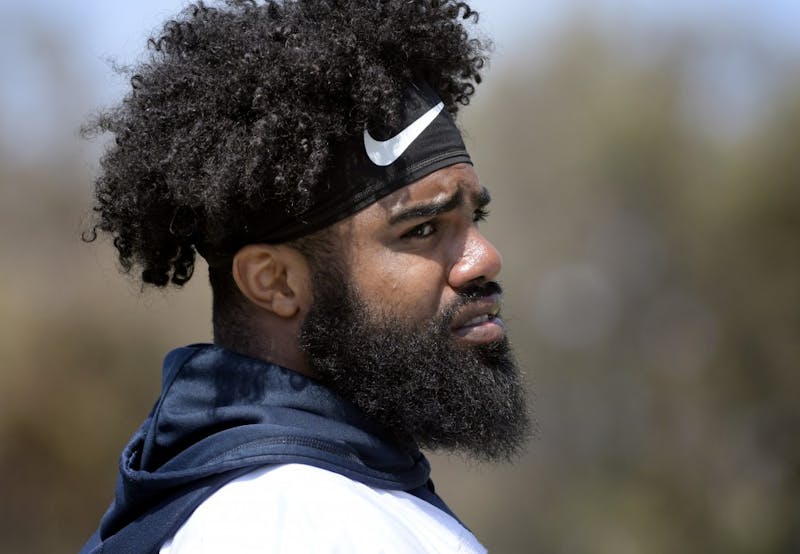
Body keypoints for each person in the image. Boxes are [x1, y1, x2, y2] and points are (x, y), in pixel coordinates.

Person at [80, 1, 529, 552]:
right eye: (423, 229)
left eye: (473, 219)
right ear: (276, 282)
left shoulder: (321, 499)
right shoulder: (290, 523)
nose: (484, 258)